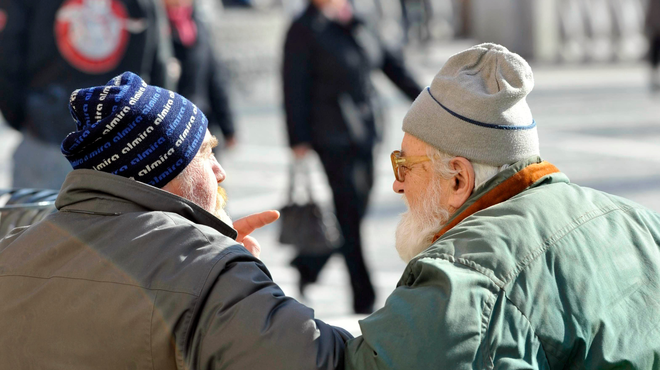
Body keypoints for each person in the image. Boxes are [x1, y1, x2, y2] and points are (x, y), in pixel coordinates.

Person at [0, 72, 351, 369]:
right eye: (205, 152)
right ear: (161, 168)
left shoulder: (11, 251)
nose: (221, 172)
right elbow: (327, 359)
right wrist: (243, 279)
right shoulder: (212, 272)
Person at [342, 43, 660, 368]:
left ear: (457, 180)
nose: (398, 184)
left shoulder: (462, 280)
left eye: (405, 164)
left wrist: (285, 313)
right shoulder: (643, 224)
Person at [282, 0, 422, 314]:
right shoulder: (303, 27)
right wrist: (298, 139)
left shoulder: (359, 20)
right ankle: (364, 295)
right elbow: (292, 85)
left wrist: (429, 101)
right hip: (330, 135)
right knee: (349, 216)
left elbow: (391, 65)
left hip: (366, 132)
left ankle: (311, 262)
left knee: (353, 213)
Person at [0, 0, 172, 190]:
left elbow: (8, 54)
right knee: (120, 218)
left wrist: (23, 117)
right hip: (121, 143)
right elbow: (160, 70)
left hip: (47, 131)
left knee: (37, 216)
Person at [164, 0, 237, 149]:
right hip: (167, 128)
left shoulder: (199, 25)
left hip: (201, 124)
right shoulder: (154, 27)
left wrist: (228, 127)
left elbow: (215, 78)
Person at [646, 0, 660, 91]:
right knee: (654, 58)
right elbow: (650, 14)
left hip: (655, 30)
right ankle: (654, 80)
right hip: (656, 32)